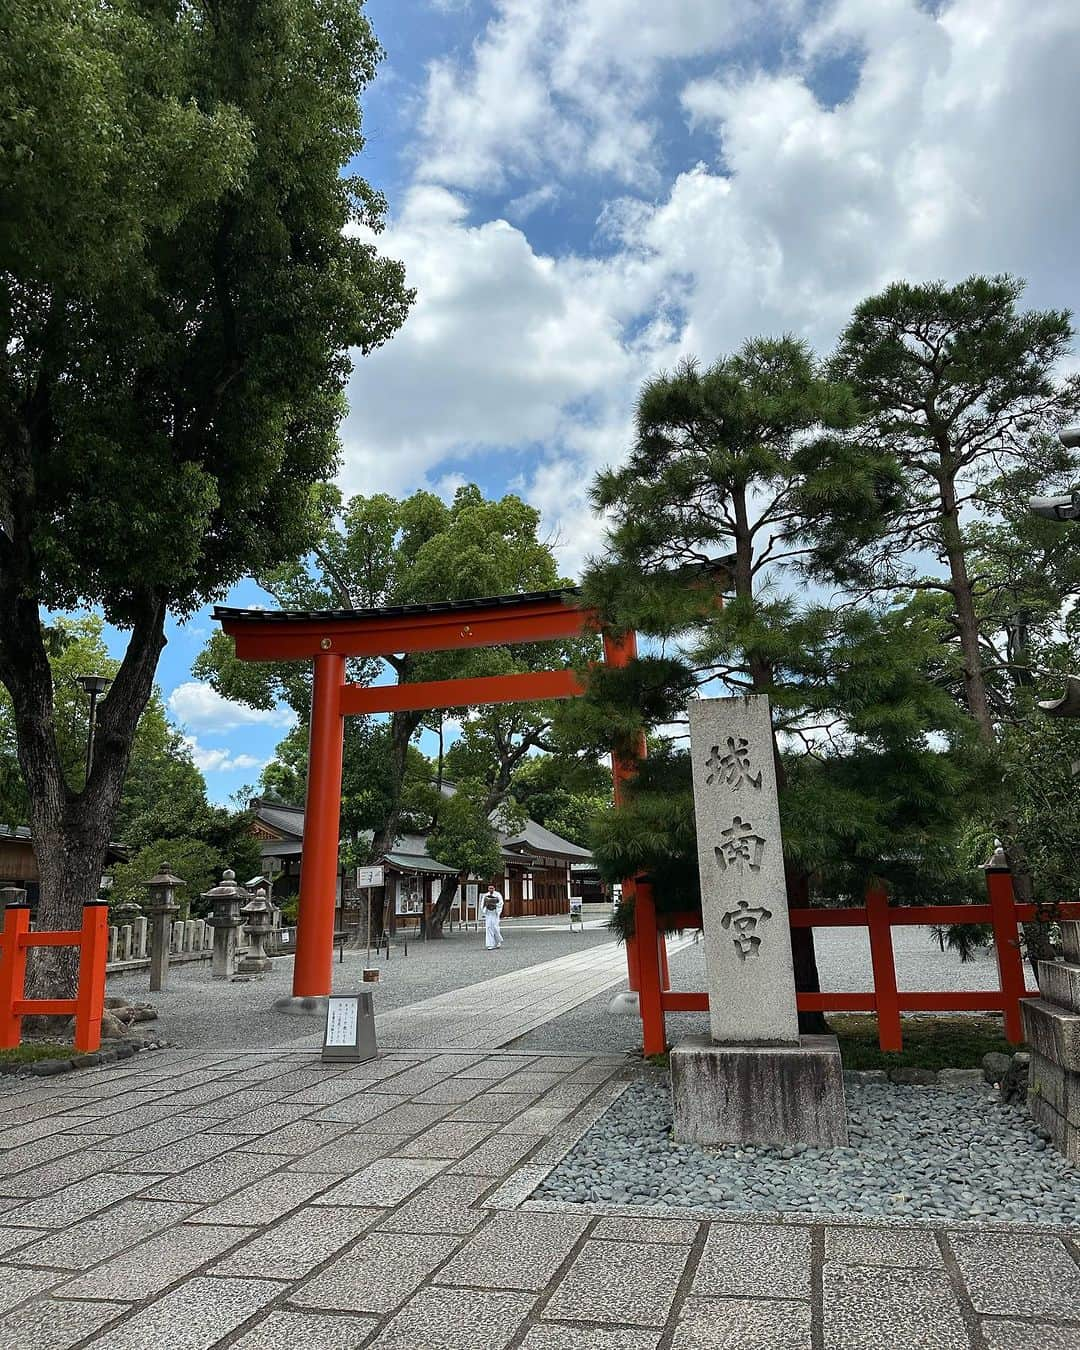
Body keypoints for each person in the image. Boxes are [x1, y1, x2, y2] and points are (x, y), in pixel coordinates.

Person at [482, 882, 504, 950]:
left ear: (494, 888)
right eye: (489, 888)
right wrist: (486, 905)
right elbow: (482, 904)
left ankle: (498, 941)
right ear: (488, 888)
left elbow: (501, 903)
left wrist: (495, 904)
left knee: (495, 927)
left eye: (492, 888)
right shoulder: (485, 895)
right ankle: (490, 944)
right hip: (488, 913)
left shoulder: (498, 895)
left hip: (495, 913)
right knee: (488, 927)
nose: (490, 889)